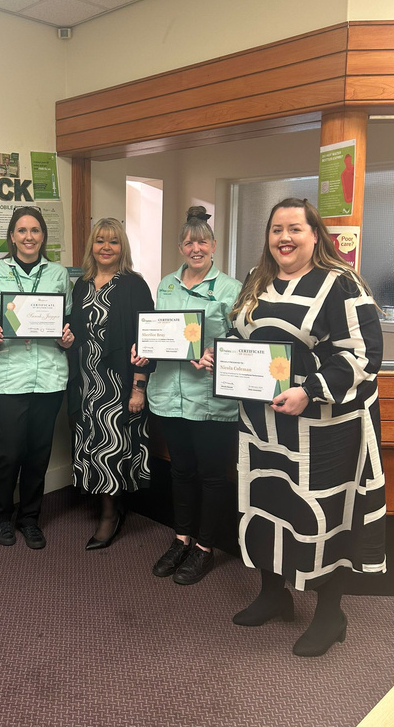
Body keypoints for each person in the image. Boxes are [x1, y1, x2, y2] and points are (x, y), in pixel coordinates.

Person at [200, 197, 386, 656]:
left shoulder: (341, 283)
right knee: (266, 501)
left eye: (295, 229)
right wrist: (219, 357)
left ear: (314, 234)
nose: (284, 237)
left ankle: (330, 613)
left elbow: (365, 355)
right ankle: (273, 593)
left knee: (321, 514)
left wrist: (312, 387)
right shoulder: (256, 280)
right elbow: (244, 337)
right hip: (262, 422)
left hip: (322, 429)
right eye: (276, 229)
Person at [138, 206, 242, 584]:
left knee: (212, 476)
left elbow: (244, 337)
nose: (195, 248)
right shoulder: (166, 284)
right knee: (181, 471)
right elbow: (157, 331)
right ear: (181, 246)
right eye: (188, 242)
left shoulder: (230, 289)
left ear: (213, 245)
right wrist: (144, 349)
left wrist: (220, 352)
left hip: (211, 399)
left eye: (202, 241)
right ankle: (181, 537)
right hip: (168, 394)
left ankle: (204, 547)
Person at [0, 206, 73, 550]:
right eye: (21, 230)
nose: (28, 236)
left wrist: (67, 337)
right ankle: (2, 515)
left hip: (49, 374)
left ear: (43, 236)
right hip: (8, 374)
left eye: (35, 230)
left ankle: (29, 518)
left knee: (38, 453)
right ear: (12, 236)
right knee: (9, 451)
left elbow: (68, 321)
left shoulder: (58, 274)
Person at [68, 217, 155, 549]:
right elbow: (75, 330)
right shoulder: (82, 284)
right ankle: (108, 503)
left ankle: (110, 516)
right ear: (92, 245)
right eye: (100, 240)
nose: (106, 247)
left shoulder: (133, 285)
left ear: (122, 247)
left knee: (112, 447)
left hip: (118, 383)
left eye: (113, 241)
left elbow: (146, 340)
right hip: (87, 382)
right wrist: (65, 338)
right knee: (94, 442)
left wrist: (138, 387)